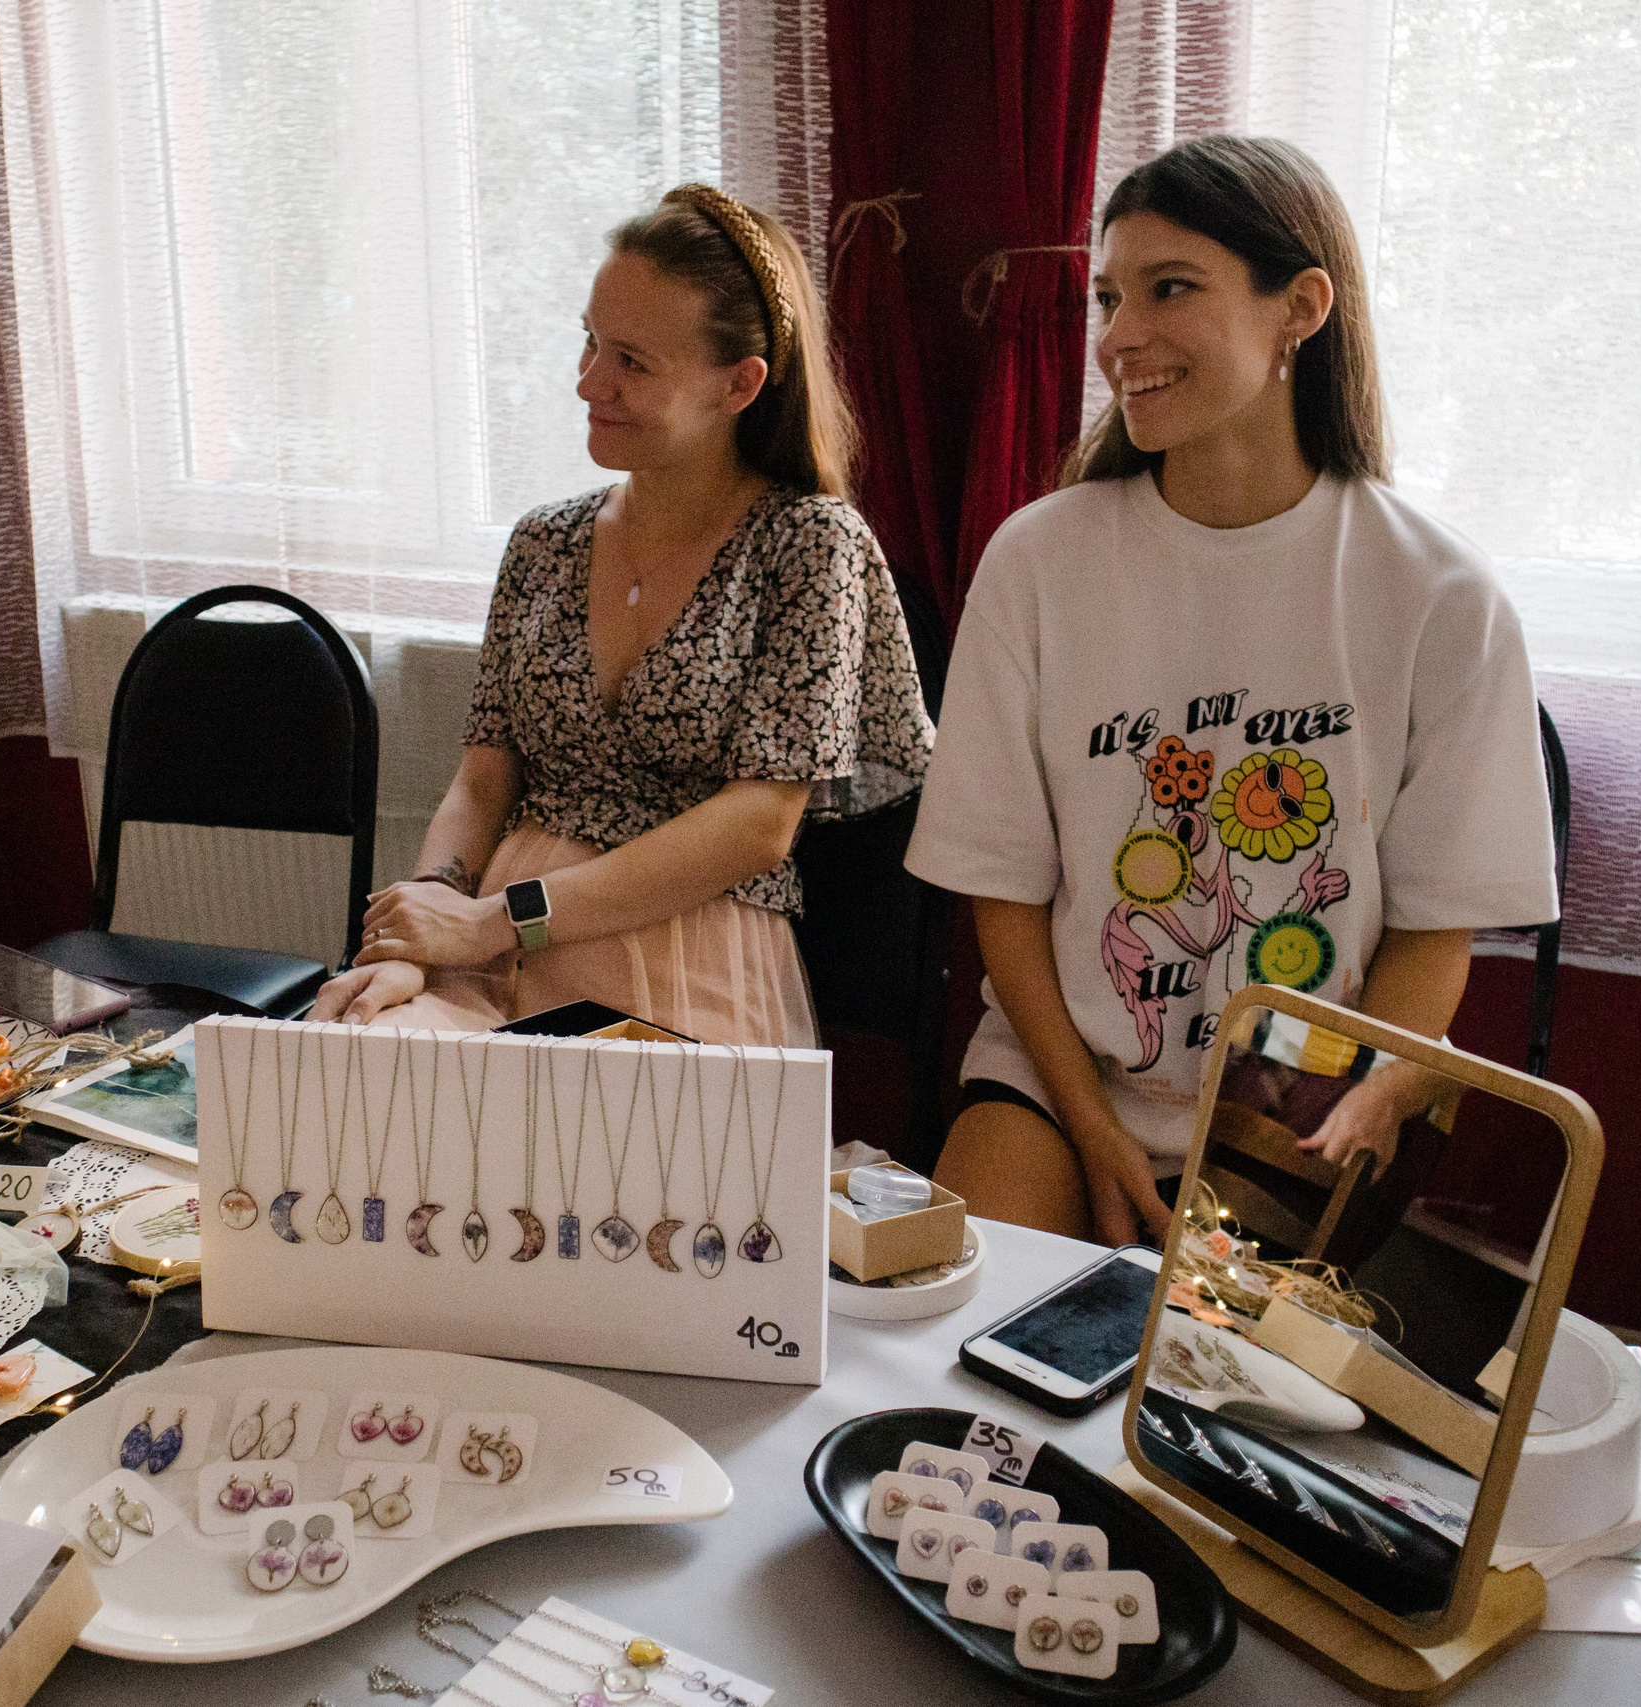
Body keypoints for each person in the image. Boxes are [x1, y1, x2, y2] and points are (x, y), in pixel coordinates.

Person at [905, 137, 1559, 1246]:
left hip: (1297, 1100)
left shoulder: (1440, 593)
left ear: (1299, 308)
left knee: (1207, 1354)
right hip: (1059, 1074)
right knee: (964, 1322)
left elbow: (1430, 932)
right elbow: (1003, 900)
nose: (1118, 336)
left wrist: (1343, 1111)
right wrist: (1094, 1131)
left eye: (1170, 289)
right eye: (1109, 297)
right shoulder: (1037, 561)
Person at [308, 184, 932, 1046]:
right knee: (345, 1081)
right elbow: (484, 781)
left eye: (632, 362)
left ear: (739, 384)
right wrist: (423, 931)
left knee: (597, 1129)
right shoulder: (542, 541)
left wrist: (493, 921)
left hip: (686, 955)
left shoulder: (809, 544)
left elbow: (758, 826)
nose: (587, 382)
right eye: (590, 341)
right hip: (490, 953)